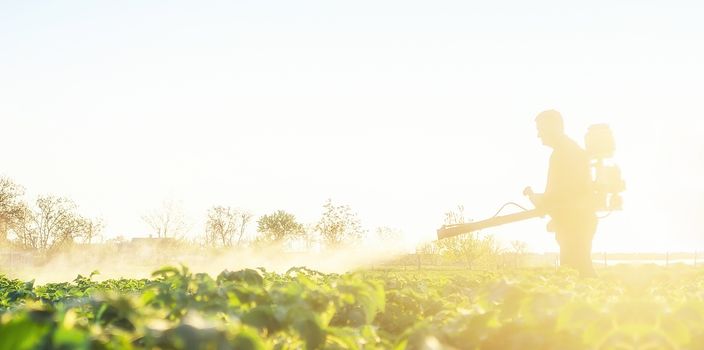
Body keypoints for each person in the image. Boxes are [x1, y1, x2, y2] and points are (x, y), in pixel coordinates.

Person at [525, 110, 598, 277]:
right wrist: (544, 201)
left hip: (575, 223)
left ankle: (600, 301)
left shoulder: (566, 152)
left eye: (540, 129)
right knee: (579, 271)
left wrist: (542, 199)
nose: (538, 135)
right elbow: (564, 191)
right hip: (574, 222)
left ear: (554, 127)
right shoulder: (565, 151)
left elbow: (569, 190)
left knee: (577, 272)